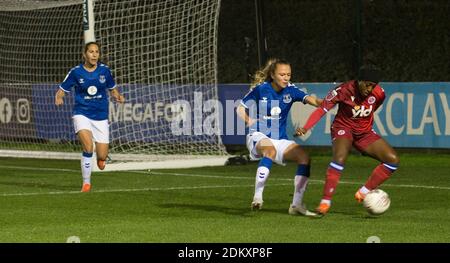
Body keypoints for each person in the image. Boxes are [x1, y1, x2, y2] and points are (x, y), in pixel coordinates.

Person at [295, 67, 400, 216]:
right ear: (359, 81)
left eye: (373, 85)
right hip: (342, 128)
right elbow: (322, 109)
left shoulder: (379, 93)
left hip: (364, 133)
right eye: (367, 84)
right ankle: (325, 202)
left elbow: (371, 109)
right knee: (339, 158)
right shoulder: (343, 90)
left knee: (392, 160)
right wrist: (306, 127)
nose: (370, 89)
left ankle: (363, 192)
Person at [236, 58, 322, 216]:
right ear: (273, 75)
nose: (286, 78)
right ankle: (257, 197)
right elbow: (240, 108)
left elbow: (312, 100)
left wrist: (326, 102)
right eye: (282, 74)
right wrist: (248, 120)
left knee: (304, 158)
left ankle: (296, 205)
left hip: (279, 138)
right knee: (269, 151)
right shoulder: (261, 89)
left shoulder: (291, 90)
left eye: (288, 74)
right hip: (258, 135)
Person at [55, 41, 125, 192]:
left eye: (97, 52)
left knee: (101, 155)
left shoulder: (104, 71)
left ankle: (101, 159)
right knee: (88, 147)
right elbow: (62, 89)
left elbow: (112, 89)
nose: (94, 55)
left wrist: (118, 96)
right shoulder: (76, 72)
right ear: (84, 54)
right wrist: (59, 97)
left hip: (100, 116)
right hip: (82, 113)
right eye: (91, 52)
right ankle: (86, 183)